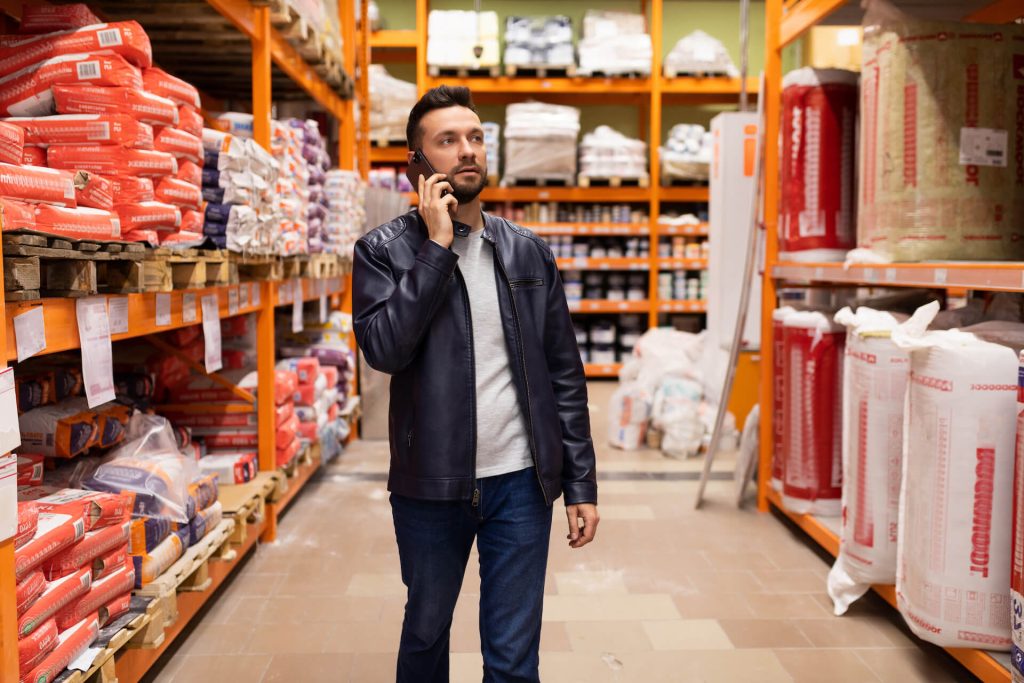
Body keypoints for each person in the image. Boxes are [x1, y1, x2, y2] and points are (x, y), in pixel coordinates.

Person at [352, 85, 600, 683]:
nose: (467, 151)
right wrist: (437, 248)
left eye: (475, 137)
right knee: (426, 633)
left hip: (521, 484)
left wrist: (581, 482)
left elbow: (565, 374)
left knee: (514, 659)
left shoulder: (528, 254)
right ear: (418, 162)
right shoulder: (382, 252)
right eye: (447, 141)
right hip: (430, 485)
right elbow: (385, 350)